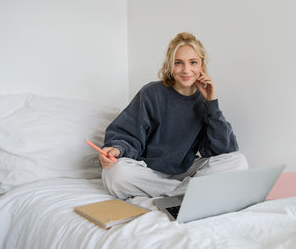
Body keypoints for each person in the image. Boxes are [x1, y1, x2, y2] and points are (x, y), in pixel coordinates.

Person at [100, 32, 248, 200]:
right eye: (178, 63)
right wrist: (118, 149)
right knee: (114, 174)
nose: (186, 70)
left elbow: (222, 150)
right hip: (148, 171)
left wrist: (212, 103)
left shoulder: (204, 99)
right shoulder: (151, 93)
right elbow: (128, 132)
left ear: (201, 65)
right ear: (170, 65)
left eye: (193, 62)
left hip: (185, 170)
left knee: (239, 161)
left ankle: (173, 194)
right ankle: (186, 193)